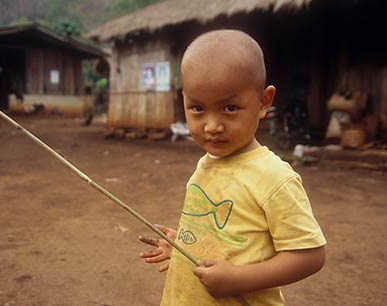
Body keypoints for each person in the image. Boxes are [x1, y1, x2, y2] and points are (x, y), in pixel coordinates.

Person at [138, 29, 326, 306]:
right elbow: (225, 233)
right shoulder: (206, 163)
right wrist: (183, 246)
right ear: (184, 102)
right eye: (197, 108)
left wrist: (240, 279)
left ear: (264, 102)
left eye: (230, 108)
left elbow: (311, 255)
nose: (212, 126)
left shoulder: (274, 177)